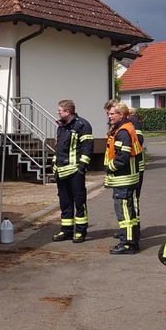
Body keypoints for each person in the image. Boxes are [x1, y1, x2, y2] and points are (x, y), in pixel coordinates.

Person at [52, 99, 93, 243]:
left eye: (60, 110)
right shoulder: (61, 126)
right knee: (65, 202)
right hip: (61, 171)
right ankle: (66, 230)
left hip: (75, 171)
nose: (58, 112)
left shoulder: (82, 125)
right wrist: (55, 165)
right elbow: (59, 149)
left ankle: (81, 231)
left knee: (79, 201)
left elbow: (87, 147)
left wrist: (81, 167)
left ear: (68, 111)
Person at [104, 101, 142, 255]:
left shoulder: (123, 131)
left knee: (124, 213)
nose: (109, 116)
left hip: (124, 178)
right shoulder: (124, 129)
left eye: (113, 113)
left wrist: (109, 168)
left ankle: (127, 244)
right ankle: (131, 240)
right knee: (129, 212)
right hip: (128, 177)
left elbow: (122, 157)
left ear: (121, 115)